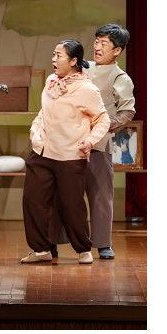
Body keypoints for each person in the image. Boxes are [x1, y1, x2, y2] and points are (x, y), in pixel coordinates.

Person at [21, 39, 109, 265]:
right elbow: (44, 111)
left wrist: (90, 140)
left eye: (58, 55)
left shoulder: (87, 89)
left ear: (73, 61)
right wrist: (35, 130)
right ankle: (41, 249)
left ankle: (83, 249)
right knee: (33, 201)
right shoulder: (51, 81)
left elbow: (102, 119)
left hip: (70, 155)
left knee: (72, 206)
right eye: (53, 54)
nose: (53, 59)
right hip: (42, 152)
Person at [51, 24, 135, 260]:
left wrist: (102, 127)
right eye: (96, 41)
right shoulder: (82, 67)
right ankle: (54, 240)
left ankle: (103, 243)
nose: (97, 47)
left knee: (100, 194)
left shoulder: (120, 78)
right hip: (68, 142)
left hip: (98, 145)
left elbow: (127, 111)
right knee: (61, 193)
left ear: (117, 50)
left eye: (104, 43)